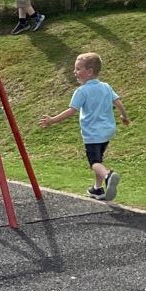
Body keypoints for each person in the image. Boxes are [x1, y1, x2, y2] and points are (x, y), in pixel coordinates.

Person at [40, 52, 129, 201]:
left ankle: (108, 176)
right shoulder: (106, 87)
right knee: (99, 160)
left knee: (94, 162)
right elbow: (118, 102)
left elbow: (71, 110)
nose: (74, 72)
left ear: (89, 72)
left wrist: (52, 120)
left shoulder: (82, 91)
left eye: (78, 69)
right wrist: (124, 117)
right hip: (107, 132)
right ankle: (97, 189)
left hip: (92, 134)